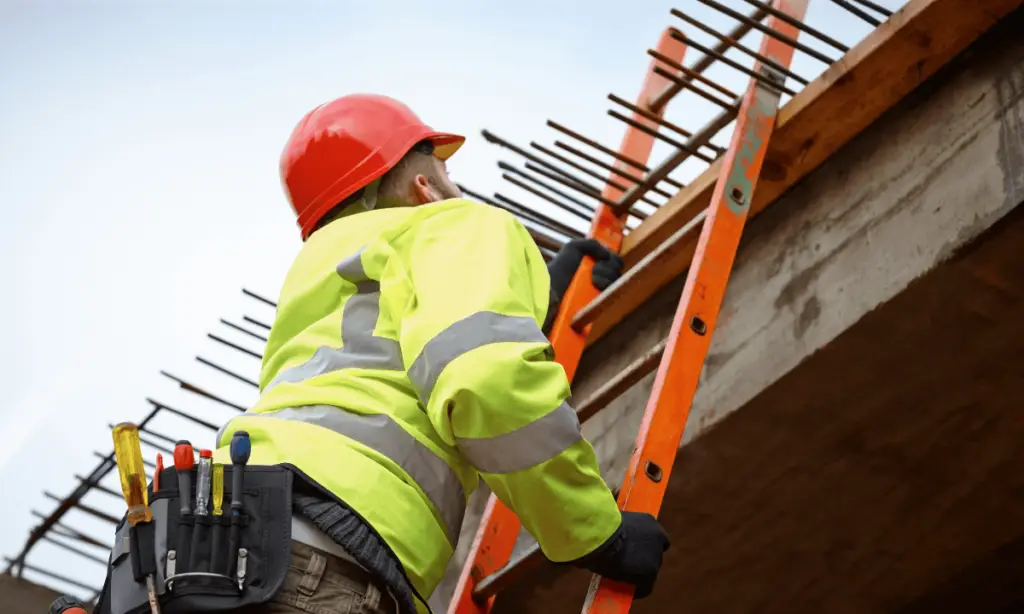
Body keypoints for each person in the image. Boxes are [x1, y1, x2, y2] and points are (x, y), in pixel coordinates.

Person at [214, 93, 671, 614]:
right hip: (319, 559)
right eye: (448, 177)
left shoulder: (312, 281)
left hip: (199, 544)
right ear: (424, 188)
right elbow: (486, 380)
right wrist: (594, 531)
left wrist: (538, 298)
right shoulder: (452, 222)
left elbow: (393, 345)